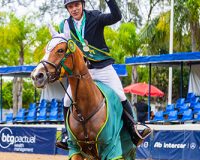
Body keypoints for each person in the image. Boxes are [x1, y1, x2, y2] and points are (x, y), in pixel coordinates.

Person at [56, 0, 151, 150]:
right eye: (70, 6)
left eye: (76, 5)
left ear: (82, 4)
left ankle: (134, 129)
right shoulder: (65, 25)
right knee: (67, 100)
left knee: (120, 95)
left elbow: (116, 17)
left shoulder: (95, 17)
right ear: (67, 9)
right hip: (82, 72)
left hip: (102, 68)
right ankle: (67, 134)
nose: (74, 9)